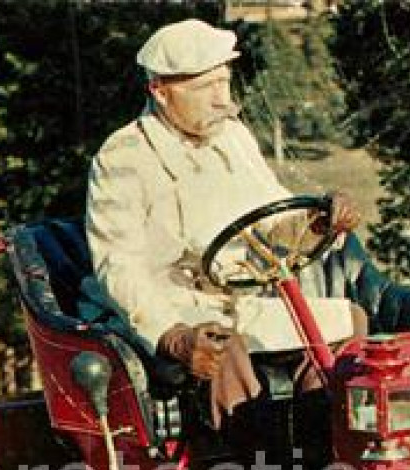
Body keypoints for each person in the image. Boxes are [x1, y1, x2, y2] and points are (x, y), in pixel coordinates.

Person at [85, 18, 362, 427]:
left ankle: (323, 451)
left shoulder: (232, 138)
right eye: (204, 88)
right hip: (170, 312)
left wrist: (319, 222)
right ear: (159, 91)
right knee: (222, 349)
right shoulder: (122, 157)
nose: (222, 100)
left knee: (346, 322)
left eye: (224, 82)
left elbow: (275, 217)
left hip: (240, 303)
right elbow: (119, 268)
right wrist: (174, 336)